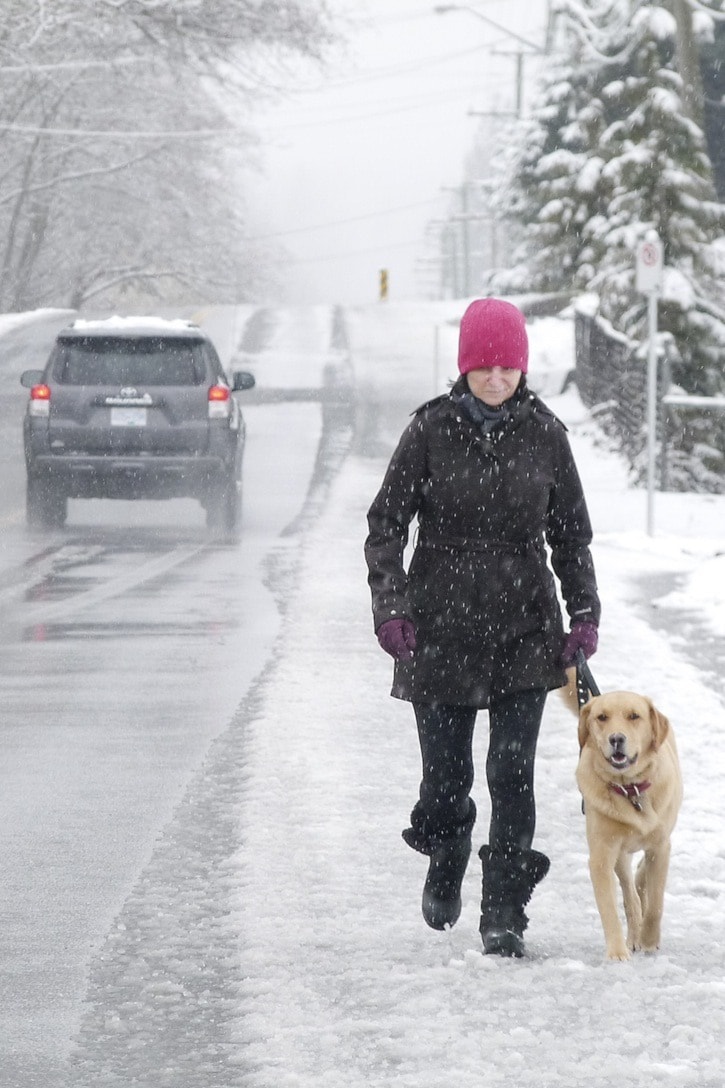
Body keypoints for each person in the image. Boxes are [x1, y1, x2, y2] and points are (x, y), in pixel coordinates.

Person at [364, 298, 600, 958]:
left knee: (511, 771)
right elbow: (384, 526)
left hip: (525, 627)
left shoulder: (546, 435)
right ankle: (446, 848)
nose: (497, 379)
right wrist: (392, 609)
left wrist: (582, 617)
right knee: (444, 780)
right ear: (464, 367)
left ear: (522, 368)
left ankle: (503, 910)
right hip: (439, 628)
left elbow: (570, 535)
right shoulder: (429, 431)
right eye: (484, 366)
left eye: (508, 367)